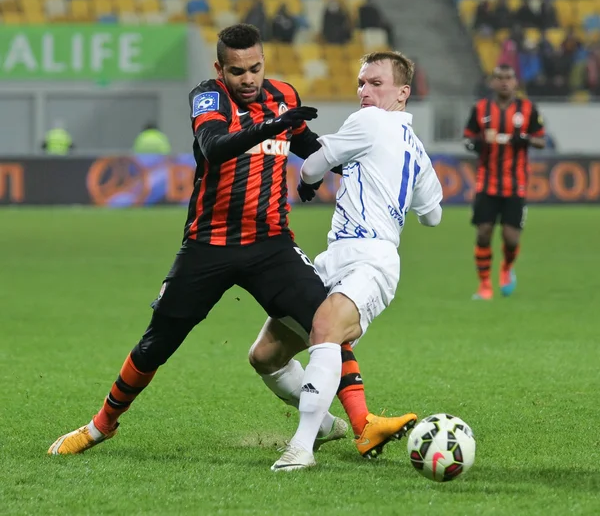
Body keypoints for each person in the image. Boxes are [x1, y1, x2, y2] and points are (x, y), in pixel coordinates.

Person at [47, 24, 407, 458]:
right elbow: (214, 146)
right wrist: (272, 125)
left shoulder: (283, 96)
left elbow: (313, 150)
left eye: (256, 68)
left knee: (325, 323)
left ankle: (363, 424)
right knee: (156, 343)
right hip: (208, 246)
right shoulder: (209, 97)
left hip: (271, 244)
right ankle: (100, 427)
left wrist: (338, 168)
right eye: (238, 71)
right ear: (221, 69)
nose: (249, 79)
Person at [270, 51, 444, 471]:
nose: (364, 91)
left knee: (325, 330)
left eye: (376, 83)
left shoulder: (368, 122)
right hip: (338, 256)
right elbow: (433, 215)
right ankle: (334, 424)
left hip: (370, 259)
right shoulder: (417, 150)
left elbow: (312, 166)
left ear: (403, 93)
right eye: (361, 83)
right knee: (266, 355)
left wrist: (310, 179)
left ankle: (302, 446)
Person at [463, 64, 545, 301]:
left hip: (515, 184)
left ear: (515, 82)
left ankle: (507, 268)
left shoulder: (527, 109)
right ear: (492, 82)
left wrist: (525, 139)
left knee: (511, 238)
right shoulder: (480, 109)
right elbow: (467, 137)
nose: (504, 82)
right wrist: (477, 144)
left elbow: (541, 140)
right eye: (499, 78)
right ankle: (485, 285)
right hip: (486, 183)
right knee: (483, 233)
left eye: (508, 77)